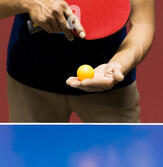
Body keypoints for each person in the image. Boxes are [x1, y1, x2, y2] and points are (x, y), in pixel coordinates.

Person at [0, 0, 155, 123]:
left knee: (121, 162)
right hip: (31, 80)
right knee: (32, 162)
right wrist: (27, 2)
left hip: (108, 80)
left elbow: (143, 24)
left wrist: (118, 66)